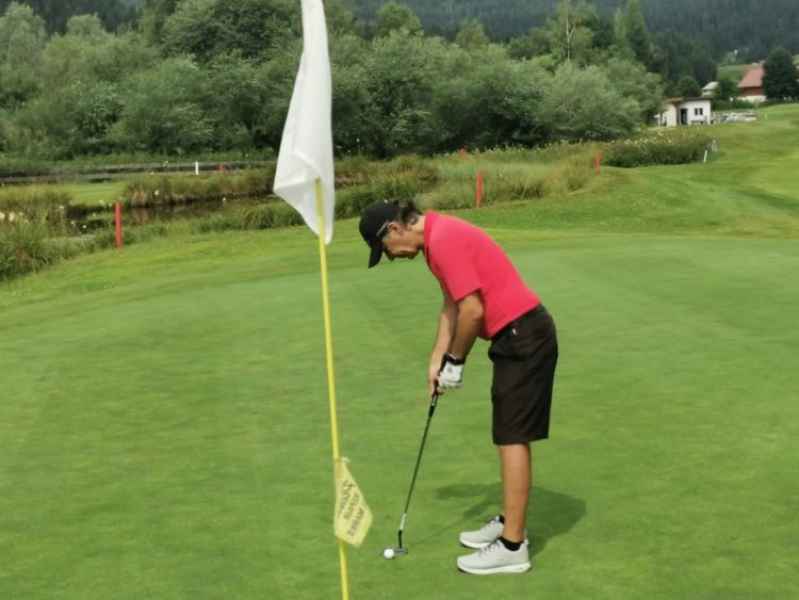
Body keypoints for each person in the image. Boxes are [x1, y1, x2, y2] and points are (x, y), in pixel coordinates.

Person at [358, 199, 558, 575]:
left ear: (394, 230)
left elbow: (473, 311)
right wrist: (437, 358)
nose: (391, 257)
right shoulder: (436, 239)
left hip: (524, 335)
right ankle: (509, 521)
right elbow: (452, 304)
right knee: (506, 433)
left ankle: (513, 546)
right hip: (517, 335)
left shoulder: (443, 240)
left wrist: (456, 361)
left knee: (512, 436)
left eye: (384, 249)